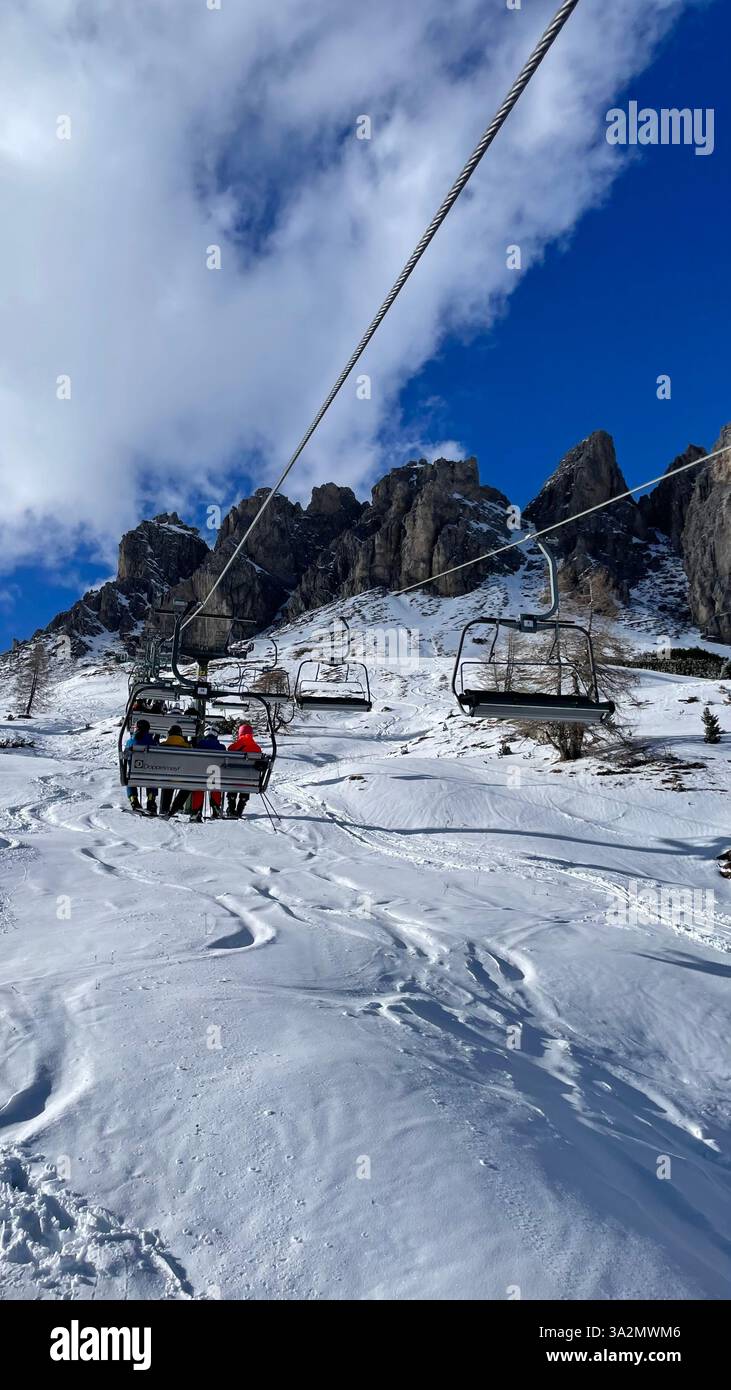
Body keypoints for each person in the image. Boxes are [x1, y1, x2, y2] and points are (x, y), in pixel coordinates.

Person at [184, 725, 226, 823]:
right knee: (215, 785)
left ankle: (196, 811)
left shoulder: (200, 745)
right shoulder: (221, 747)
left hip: (201, 774)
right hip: (214, 775)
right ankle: (216, 807)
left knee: (199, 788)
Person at [226, 722, 262, 818]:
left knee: (235, 777)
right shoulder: (257, 748)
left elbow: (228, 756)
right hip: (250, 781)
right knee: (247, 779)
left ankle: (231, 806)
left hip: (234, 780)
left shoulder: (234, 746)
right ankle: (240, 807)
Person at [123, 717, 157, 814]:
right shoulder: (153, 742)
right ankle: (151, 800)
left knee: (129, 776)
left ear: (137, 728)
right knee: (153, 776)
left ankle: (134, 800)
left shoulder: (130, 742)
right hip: (150, 775)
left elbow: (126, 757)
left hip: (134, 774)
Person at [158, 724, 189, 817]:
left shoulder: (162, 745)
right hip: (182, 778)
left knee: (167, 780)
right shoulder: (187, 746)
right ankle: (176, 807)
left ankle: (164, 808)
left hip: (164, 777)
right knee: (188, 786)